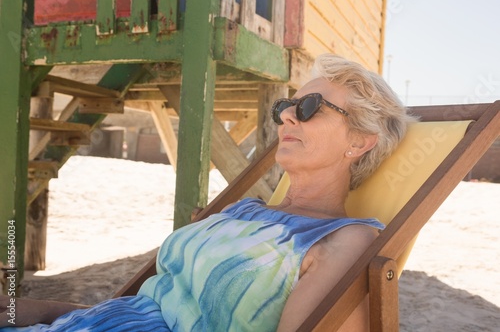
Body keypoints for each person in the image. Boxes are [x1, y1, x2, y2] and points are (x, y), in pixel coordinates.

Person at [0, 54, 414, 331]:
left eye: (310, 107)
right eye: (285, 106)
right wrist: (19, 309)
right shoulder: (242, 210)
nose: (287, 115)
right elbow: (152, 306)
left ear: (360, 142)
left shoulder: (344, 239)